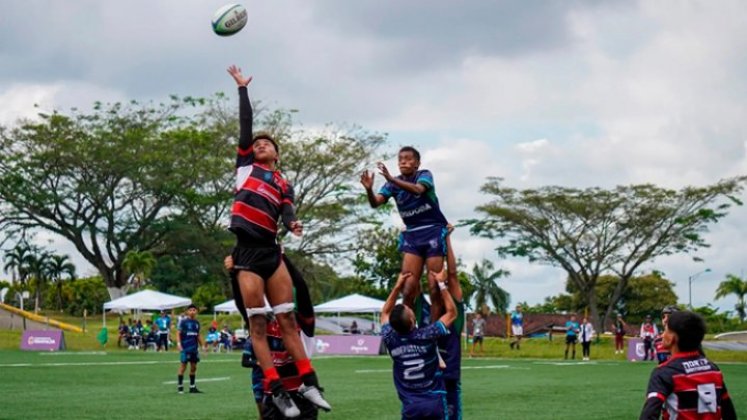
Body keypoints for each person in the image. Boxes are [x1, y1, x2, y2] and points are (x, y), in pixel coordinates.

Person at [226, 64, 330, 416]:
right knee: (257, 322)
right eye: (256, 144)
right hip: (246, 253)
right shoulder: (245, 169)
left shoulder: (284, 183)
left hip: (272, 252)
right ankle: (274, 387)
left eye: (266, 143)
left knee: (288, 320)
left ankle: (309, 383)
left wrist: (294, 224)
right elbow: (246, 126)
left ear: (277, 154)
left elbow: (287, 212)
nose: (259, 145)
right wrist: (242, 89)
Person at [361, 146, 449, 320]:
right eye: (401, 159)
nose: (403, 162)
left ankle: (432, 335)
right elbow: (375, 203)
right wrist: (369, 190)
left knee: (434, 287)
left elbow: (418, 190)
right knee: (408, 288)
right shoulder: (392, 185)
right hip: (412, 235)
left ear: (417, 163)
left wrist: (391, 178)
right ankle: (407, 331)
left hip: (432, 230)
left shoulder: (424, 175)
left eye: (408, 159)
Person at [225, 254, 318, 420]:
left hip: (302, 397)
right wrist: (234, 275)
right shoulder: (263, 327)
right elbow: (243, 306)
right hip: (274, 397)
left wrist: (280, 257)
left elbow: (302, 289)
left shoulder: (302, 325)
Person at [381, 268, 456, 420]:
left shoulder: (390, 339)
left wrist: (397, 287)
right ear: (411, 320)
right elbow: (452, 313)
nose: (410, 308)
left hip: (411, 406)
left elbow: (384, 313)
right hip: (435, 402)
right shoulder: (427, 335)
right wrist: (442, 284)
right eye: (409, 309)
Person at [639, 311, 737, 420]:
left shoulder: (664, 372)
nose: (662, 334)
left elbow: (649, 415)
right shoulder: (713, 369)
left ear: (672, 338)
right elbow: (729, 412)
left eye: (666, 330)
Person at [437, 232, 465, 420]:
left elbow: (453, 275)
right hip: (429, 381)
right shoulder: (426, 312)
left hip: (450, 377)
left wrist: (446, 238)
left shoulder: (456, 317)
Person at [176, 304, 203, 394]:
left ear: (196, 312)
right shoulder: (183, 322)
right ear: (187, 312)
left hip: (194, 349)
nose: (192, 311)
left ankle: (192, 387)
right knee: (183, 366)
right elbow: (178, 333)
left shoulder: (197, 323)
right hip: (185, 348)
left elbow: (198, 335)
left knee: (194, 367)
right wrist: (179, 344)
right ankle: (180, 386)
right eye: (190, 310)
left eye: (194, 310)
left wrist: (203, 346)